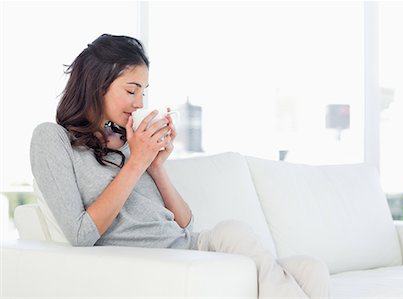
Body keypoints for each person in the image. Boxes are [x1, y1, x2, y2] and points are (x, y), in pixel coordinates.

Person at [30, 34, 330, 299]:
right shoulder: (52, 139)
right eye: (132, 90)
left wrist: (157, 166)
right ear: (98, 85)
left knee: (311, 269)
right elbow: (81, 235)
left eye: (143, 92)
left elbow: (185, 223)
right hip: (162, 260)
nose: (139, 102)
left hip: (193, 248)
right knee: (235, 232)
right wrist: (137, 162)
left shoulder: (126, 142)